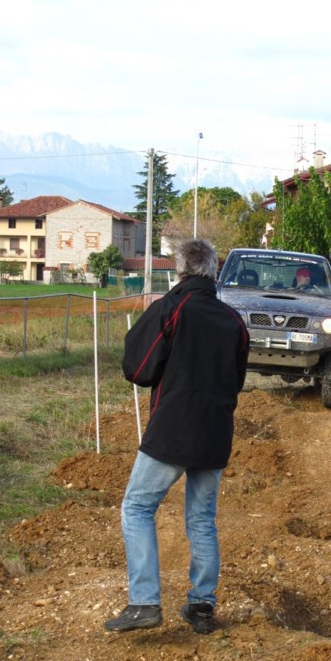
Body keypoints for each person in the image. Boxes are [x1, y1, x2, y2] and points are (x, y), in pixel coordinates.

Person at [104, 239, 249, 635]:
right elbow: (236, 380)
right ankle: (201, 606)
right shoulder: (234, 321)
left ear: (180, 270)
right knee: (202, 519)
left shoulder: (171, 307)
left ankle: (144, 602)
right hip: (216, 430)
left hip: (172, 426)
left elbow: (138, 367)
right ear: (214, 272)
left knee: (136, 508)